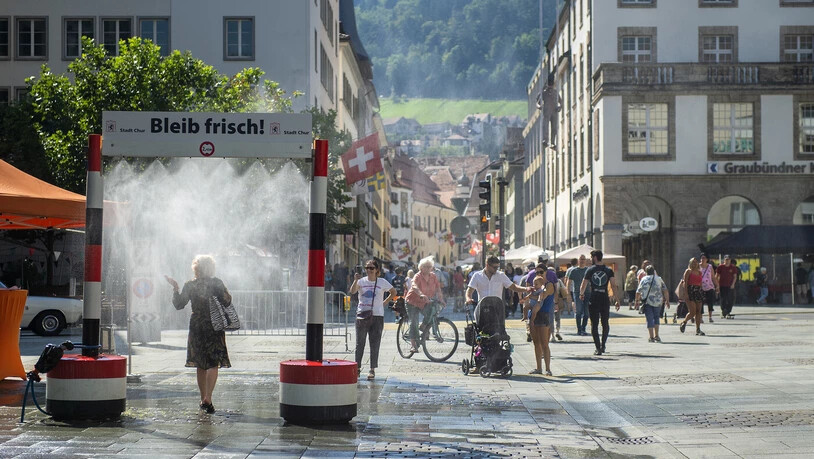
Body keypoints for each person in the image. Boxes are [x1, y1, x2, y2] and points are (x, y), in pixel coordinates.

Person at [166, 255, 232, 414]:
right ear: (211, 268)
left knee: (200, 362)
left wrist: (175, 288)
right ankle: (209, 396)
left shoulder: (190, 285)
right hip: (214, 325)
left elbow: (179, 305)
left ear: (196, 268)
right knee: (213, 362)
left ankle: (203, 398)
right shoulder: (217, 283)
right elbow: (227, 301)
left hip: (196, 325)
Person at [349, 259, 396, 380]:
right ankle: (357, 368)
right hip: (362, 315)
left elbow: (393, 291)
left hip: (377, 316)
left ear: (377, 270)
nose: (369, 270)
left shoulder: (382, 282)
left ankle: (372, 369)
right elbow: (352, 291)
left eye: (371, 268)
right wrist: (355, 280)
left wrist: (385, 302)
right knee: (360, 343)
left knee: (374, 344)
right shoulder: (361, 281)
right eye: (367, 268)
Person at [578, 250, 620, 355]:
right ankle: (603, 345)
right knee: (605, 323)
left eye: (591, 257)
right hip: (604, 297)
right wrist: (617, 299)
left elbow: (583, 284)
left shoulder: (590, 270)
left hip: (594, 297)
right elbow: (614, 285)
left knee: (594, 324)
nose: (590, 259)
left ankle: (598, 348)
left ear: (595, 257)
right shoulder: (608, 270)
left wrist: (581, 294)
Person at [405, 256, 445, 354]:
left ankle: (423, 326)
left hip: (424, 302)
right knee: (414, 322)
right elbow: (414, 285)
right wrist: (421, 294)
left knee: (432, 310)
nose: (427, 268)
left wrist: (441, 299)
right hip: (412, 301)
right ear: (421, 267)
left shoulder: (433, 276)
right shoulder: (418, 276)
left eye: (429, 266)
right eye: (425, 266)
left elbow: (438, 288)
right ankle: (413, 345)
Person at [519, 276, 555, 375]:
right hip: (532, 315)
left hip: (543, 315)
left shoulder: (547, 287)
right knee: (536, 343)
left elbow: (542, 297)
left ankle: (548, 369)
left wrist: (536, 298)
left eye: (541, 272)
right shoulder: (535, 290)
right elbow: (529, 297)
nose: (534, 285)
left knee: (544, 344)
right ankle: (539, 368)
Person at [465, 256, 531, 306]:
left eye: (497, 267)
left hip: (497, 308)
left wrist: (526, 289)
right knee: (481, 324)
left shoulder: (501, 275)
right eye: (494, 267)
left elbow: (513, 287)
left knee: (498, 324)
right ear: (487, 265)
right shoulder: (477, 275)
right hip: (482, 307)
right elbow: (470, 290)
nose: (496, 269)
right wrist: (468, 298)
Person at [635, 265, 670, 343]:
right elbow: (665, 290)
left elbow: (638, 291)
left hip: (647, 302)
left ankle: (651, 337)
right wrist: (667, 300)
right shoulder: (659, 279)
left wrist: (636, 301)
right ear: (654, 271)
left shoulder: (644, 279)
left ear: (646, 272)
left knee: (649, 318)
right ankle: (657, 335)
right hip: (658, 301)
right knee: (656, 317)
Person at [679, 257, 705, 336]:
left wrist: (702, 291)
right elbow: (685, 283)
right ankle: (684, 322)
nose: (694, 263)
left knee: (698, 311)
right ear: (690, 263)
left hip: (698, 291)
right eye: (693, 262)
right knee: (692, 311)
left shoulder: (700, 272)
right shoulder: (688, 271)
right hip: (690, 290)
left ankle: (698, 329)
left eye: (696, 262)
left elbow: (700, 283)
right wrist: (685, 293)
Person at [565, 255, 589, 336]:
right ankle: (579, 329)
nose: (582, 261)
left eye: (583, 259)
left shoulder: (588, 270)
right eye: (580, 259)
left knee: (586, 313)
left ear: (586, 261)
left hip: (588, 293)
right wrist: (568, 293)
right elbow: (568, 282)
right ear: (578, 261)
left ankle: (583, 328)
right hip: (577, 293)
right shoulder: (574, 270)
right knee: (578, 311)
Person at [699, 253, 719, 323]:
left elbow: (713, 277)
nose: (702, 259)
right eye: (701, 258)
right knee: (700, 302)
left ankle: (710, 317)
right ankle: (700, 318)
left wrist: (717, 285)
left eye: (704, 258)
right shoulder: (698, 266)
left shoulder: (710, 267)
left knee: (710, 302)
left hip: (709, 286)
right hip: (700, 287)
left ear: (707, 259)